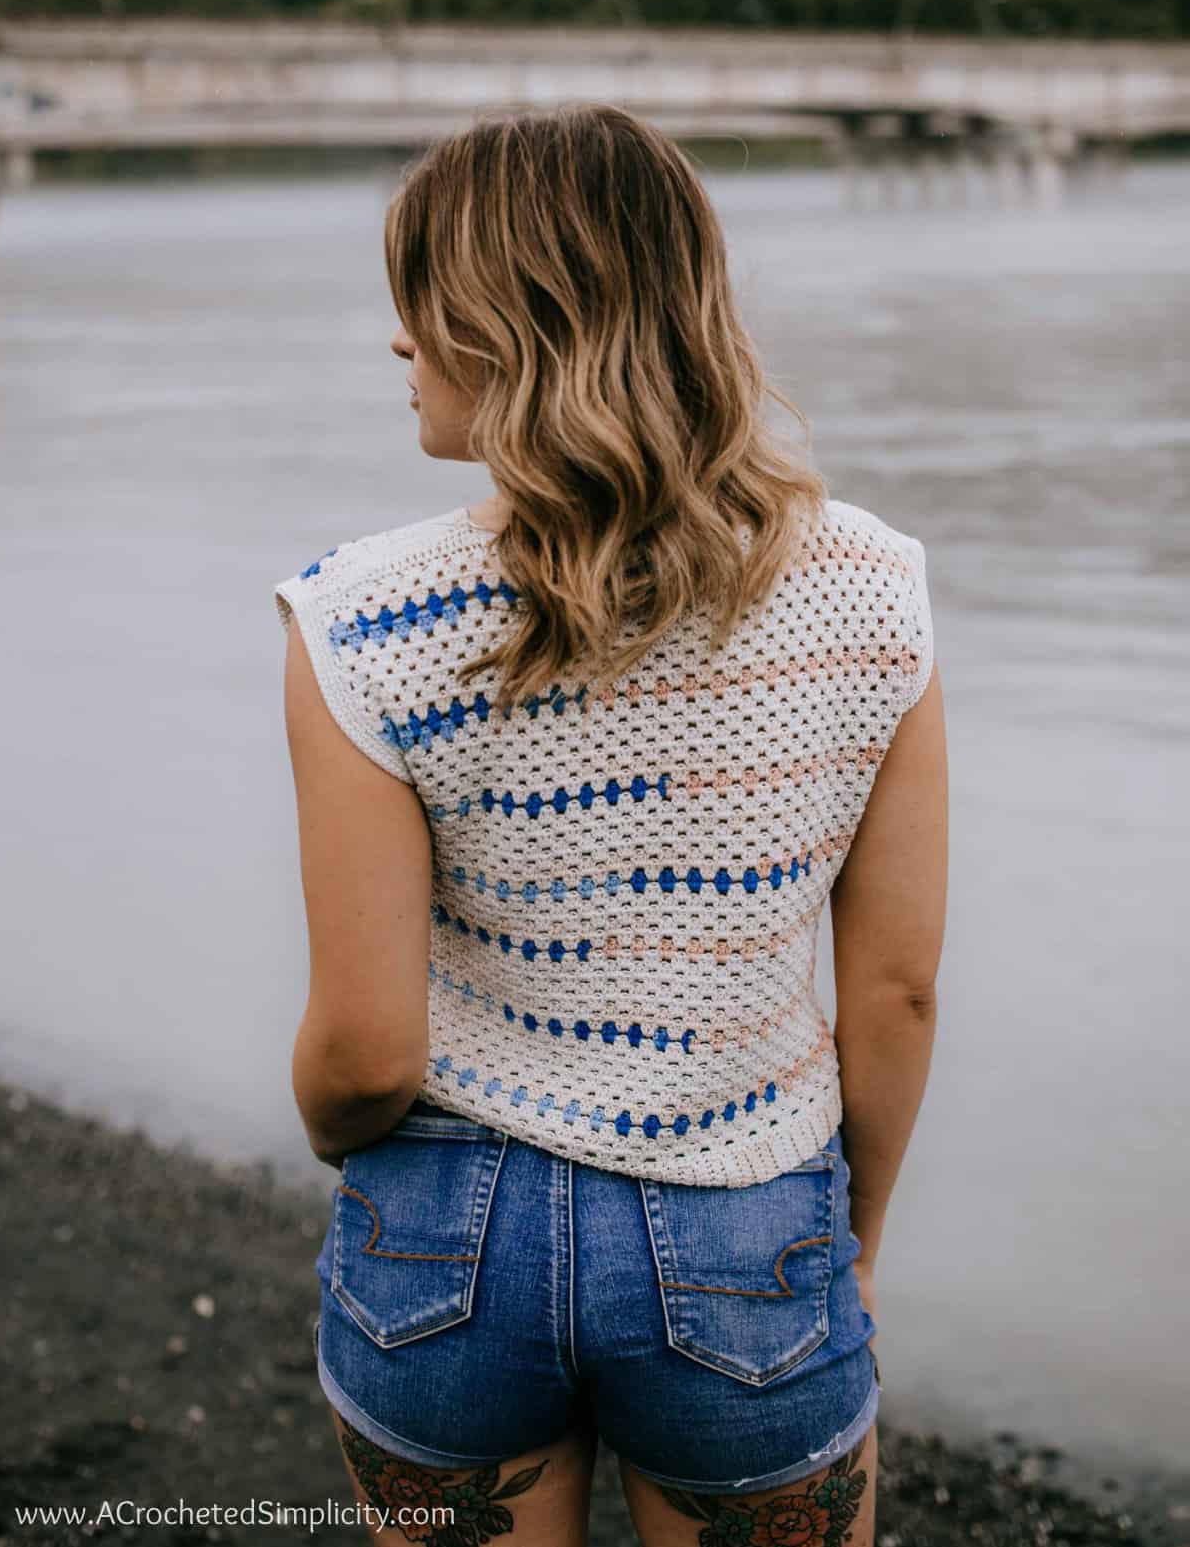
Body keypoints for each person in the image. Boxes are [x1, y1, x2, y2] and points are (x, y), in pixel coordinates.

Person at [273, 104, 947, 1547]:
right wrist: (854, 1235)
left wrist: (352, 1151)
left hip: (445, 1247)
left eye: (424, 300)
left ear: (518, 321)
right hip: (748, 1226)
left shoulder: (358, 619)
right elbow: (895, 991)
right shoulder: (875, 590)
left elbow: (364, 1056)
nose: (397, 340)